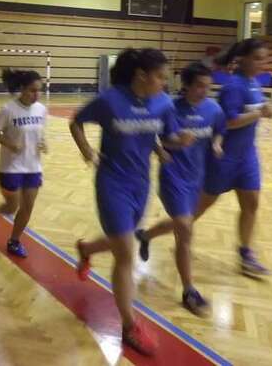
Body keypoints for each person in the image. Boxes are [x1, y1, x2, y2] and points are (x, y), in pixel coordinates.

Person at [69, 48, 193, 356]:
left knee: (120, 241)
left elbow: (165, 136)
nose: (165, 83)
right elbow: (76, 121)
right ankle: (129, 326)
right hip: (112, 183)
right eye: (161, 77)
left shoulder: (163, 103)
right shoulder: (110, 100)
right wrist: (86, 150)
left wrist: (175, 143)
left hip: (141, 184)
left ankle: (87, 249)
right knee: (125, 253)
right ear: (141, 75)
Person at [135, 62, 225, 316]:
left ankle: (146, 236)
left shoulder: (213, 109)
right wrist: (168, 147)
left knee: (182, 224)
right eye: (199, 86)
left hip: (197, 178)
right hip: (173, 177)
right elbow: (153, 136)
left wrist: (217, 144)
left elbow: (219, 130)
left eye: (208, 86)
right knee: (185, 228)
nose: (204, 91)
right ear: (186, 85)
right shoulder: (169, 108)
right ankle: (189, 291)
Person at [201, 38, 272, 276]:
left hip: (247, 156)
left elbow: (257, 109)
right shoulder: (233, 86)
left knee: (251, 203)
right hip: (225, 157)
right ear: (242, 59)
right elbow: (229, 122)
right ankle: (168, 230)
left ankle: (246, 255)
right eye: (257, 58)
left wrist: (266, 109)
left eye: (264, 59)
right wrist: (260, 113)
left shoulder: (254, 83)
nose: (262, 63)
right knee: (201, 205)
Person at [0, 69, 47, 258]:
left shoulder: (41, 109)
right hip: (11, 167)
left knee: (27, 207)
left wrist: (43, 143)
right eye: (32, 90)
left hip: (33, 166)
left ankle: (14, 241)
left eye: (39, 90)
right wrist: (10, 144)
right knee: (12, 206)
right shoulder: (8, 109)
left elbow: (39, 133)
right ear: (23, 89)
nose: (36, 94)